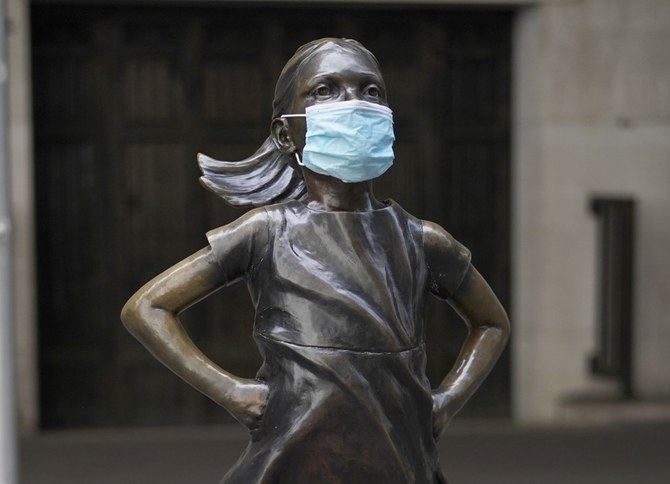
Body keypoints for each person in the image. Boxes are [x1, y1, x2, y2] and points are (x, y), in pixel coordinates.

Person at [121, 38, 510, 484]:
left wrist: (446, 401)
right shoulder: (266, 232)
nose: (354, 104)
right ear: (286, 133)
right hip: (293, 458)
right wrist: (232, 392)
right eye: (326, 90)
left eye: (371, 91)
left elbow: (492, 322)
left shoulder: (422, 241)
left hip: (401, 460)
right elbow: (146, 308)